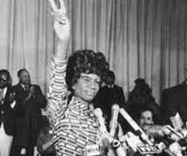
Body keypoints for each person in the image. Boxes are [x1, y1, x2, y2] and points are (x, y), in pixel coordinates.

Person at [46, 0, 118, 155]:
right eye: (86, 79)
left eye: (97, 81)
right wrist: (63, 41)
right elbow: (57, 79)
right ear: (73, 83)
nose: (93, 85)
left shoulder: (98, 119)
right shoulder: (61, 112)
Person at [10, 69, 47, 156]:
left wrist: (34, 95)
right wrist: (28, 96)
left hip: (34, 126)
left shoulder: (36, 88)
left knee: (31, 151)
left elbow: (43, 103)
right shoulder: (14, 89)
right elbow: (15, 107)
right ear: (19, 77)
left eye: (28, 76)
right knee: (16, 151)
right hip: (20, 127)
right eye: (24, 76)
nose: (27, 78)